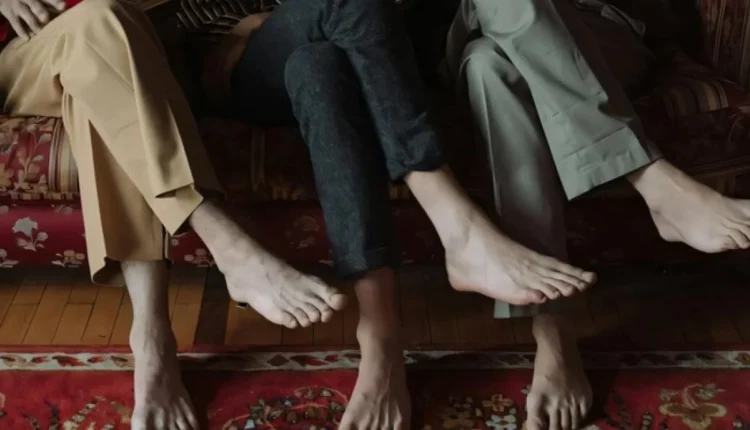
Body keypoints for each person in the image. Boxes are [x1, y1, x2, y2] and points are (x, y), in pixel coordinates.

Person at [180, 0, 599, 427]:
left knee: (318, 66)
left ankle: (380, 339)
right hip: (255, 55)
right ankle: (456, 225)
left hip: (374, 45)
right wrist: (244, 27)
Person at [0, 0, 351, 428]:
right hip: (25, 50)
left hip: (133, 40)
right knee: (102, 29)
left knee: (103, 69)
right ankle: (226, 242)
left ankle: (152, 341)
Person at [445, 0, 750, 428]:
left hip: (597, 27)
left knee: (489, 66)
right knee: (486, 50)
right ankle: (657, 184)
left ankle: (552, 328)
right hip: (478, 19)